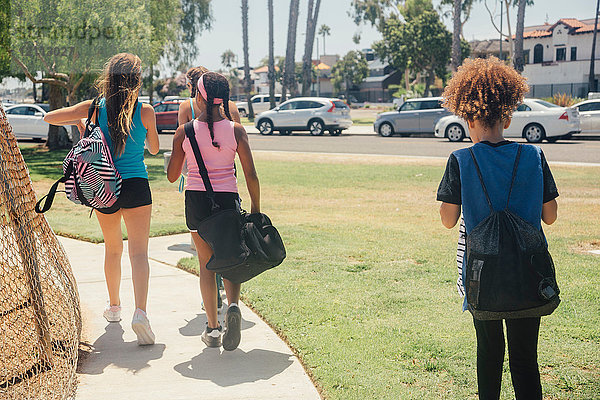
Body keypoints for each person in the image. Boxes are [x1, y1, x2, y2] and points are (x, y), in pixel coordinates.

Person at [436, 57, 559, 400]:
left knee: (489, 356)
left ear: (468, 115)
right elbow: (550, 216)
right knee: (525, 359)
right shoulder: (534, 156)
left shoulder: (461, 160)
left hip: (481, 276)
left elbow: (448, 220)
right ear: (507, 116)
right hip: (528, 275)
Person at [44, 53, 160, 346]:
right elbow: (156, 150)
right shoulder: (145, 110)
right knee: (139, 254)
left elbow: (49, 117)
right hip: (136, 184)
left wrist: (86, 122)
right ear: (136, 79)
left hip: (104, 185)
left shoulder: (95, 107)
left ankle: (114, 306)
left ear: (109, 77)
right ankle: (141, 313)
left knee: (112, 249)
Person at [167, 71, 260, 351]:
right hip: (229, 200)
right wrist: (256, 208)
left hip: (197, 202)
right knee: (230, 259)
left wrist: (178, 156)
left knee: (207, 266)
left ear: (199, 96)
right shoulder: (236, 130)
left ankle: (213, 328)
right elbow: (251, 174)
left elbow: (173, 176)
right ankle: (232, 305)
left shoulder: (185, 131)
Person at [178, 66, 242, 126]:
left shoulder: (186, 106)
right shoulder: (231, 105)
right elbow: (238, 134)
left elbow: (183, 135)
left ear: (190, 85)